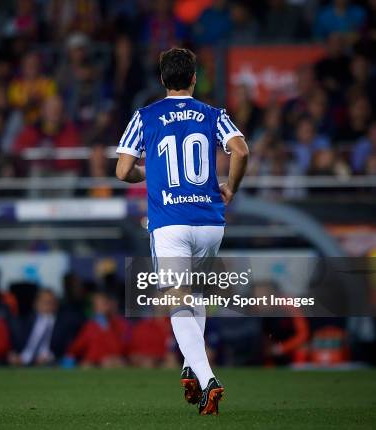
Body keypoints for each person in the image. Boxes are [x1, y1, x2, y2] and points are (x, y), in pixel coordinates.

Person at [115, 48, 249, 415]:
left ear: (162, 80)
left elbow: (123, 170)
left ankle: (207, 379)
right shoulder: (213, 114)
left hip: (170, 222)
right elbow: (240, 150)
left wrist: (148, 173)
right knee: (196, 295)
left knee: (176, 300)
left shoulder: (145, 116)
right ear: (193, 78)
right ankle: (192, 365)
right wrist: (232, 188)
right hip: (209, 221)